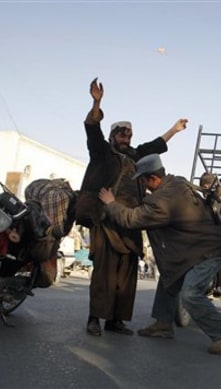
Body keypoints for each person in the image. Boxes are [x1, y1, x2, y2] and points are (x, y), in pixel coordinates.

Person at [98, 154, 221, 355]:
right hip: (196, 248)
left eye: (143, 181)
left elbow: (132, 219)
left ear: (153, 178)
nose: (143, 186)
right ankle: (163, 324)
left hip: (209, 251)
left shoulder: (162, 201)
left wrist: (111, 203)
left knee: (190, 294)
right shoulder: (176, 181)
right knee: (170, 276)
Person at [80, 77, 187, 337]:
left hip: (131, 222)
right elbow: (92, 131)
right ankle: (94, 319)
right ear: (112, 136)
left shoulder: (136, 156)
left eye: (129, 133)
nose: (126, 137)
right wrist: (97, 103)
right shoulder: (103, 153)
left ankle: (116, 321)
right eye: (121, 133)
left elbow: (155, 145)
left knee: (126, 276)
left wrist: (174, 129)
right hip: (106, 221)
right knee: (104, 274)